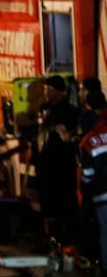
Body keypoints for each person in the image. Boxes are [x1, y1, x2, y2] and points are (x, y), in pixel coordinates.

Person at [35, 75, 80, 246]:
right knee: (47, 204)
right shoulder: (43, 109)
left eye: (50, 89)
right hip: (44, 165)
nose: (46, 92)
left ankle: (68, 240)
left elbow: (75, 138)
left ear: (60, 92)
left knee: (65, 202)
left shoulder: (71, 112)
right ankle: (51, 239)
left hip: (62, 166)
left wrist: (67, 136)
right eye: (45, 89)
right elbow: (38, 137)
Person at [77, 88, 107, 276]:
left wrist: (85, 188)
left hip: (102, 194)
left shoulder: (89, 141)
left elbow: (87, 174)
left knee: (105, 231)